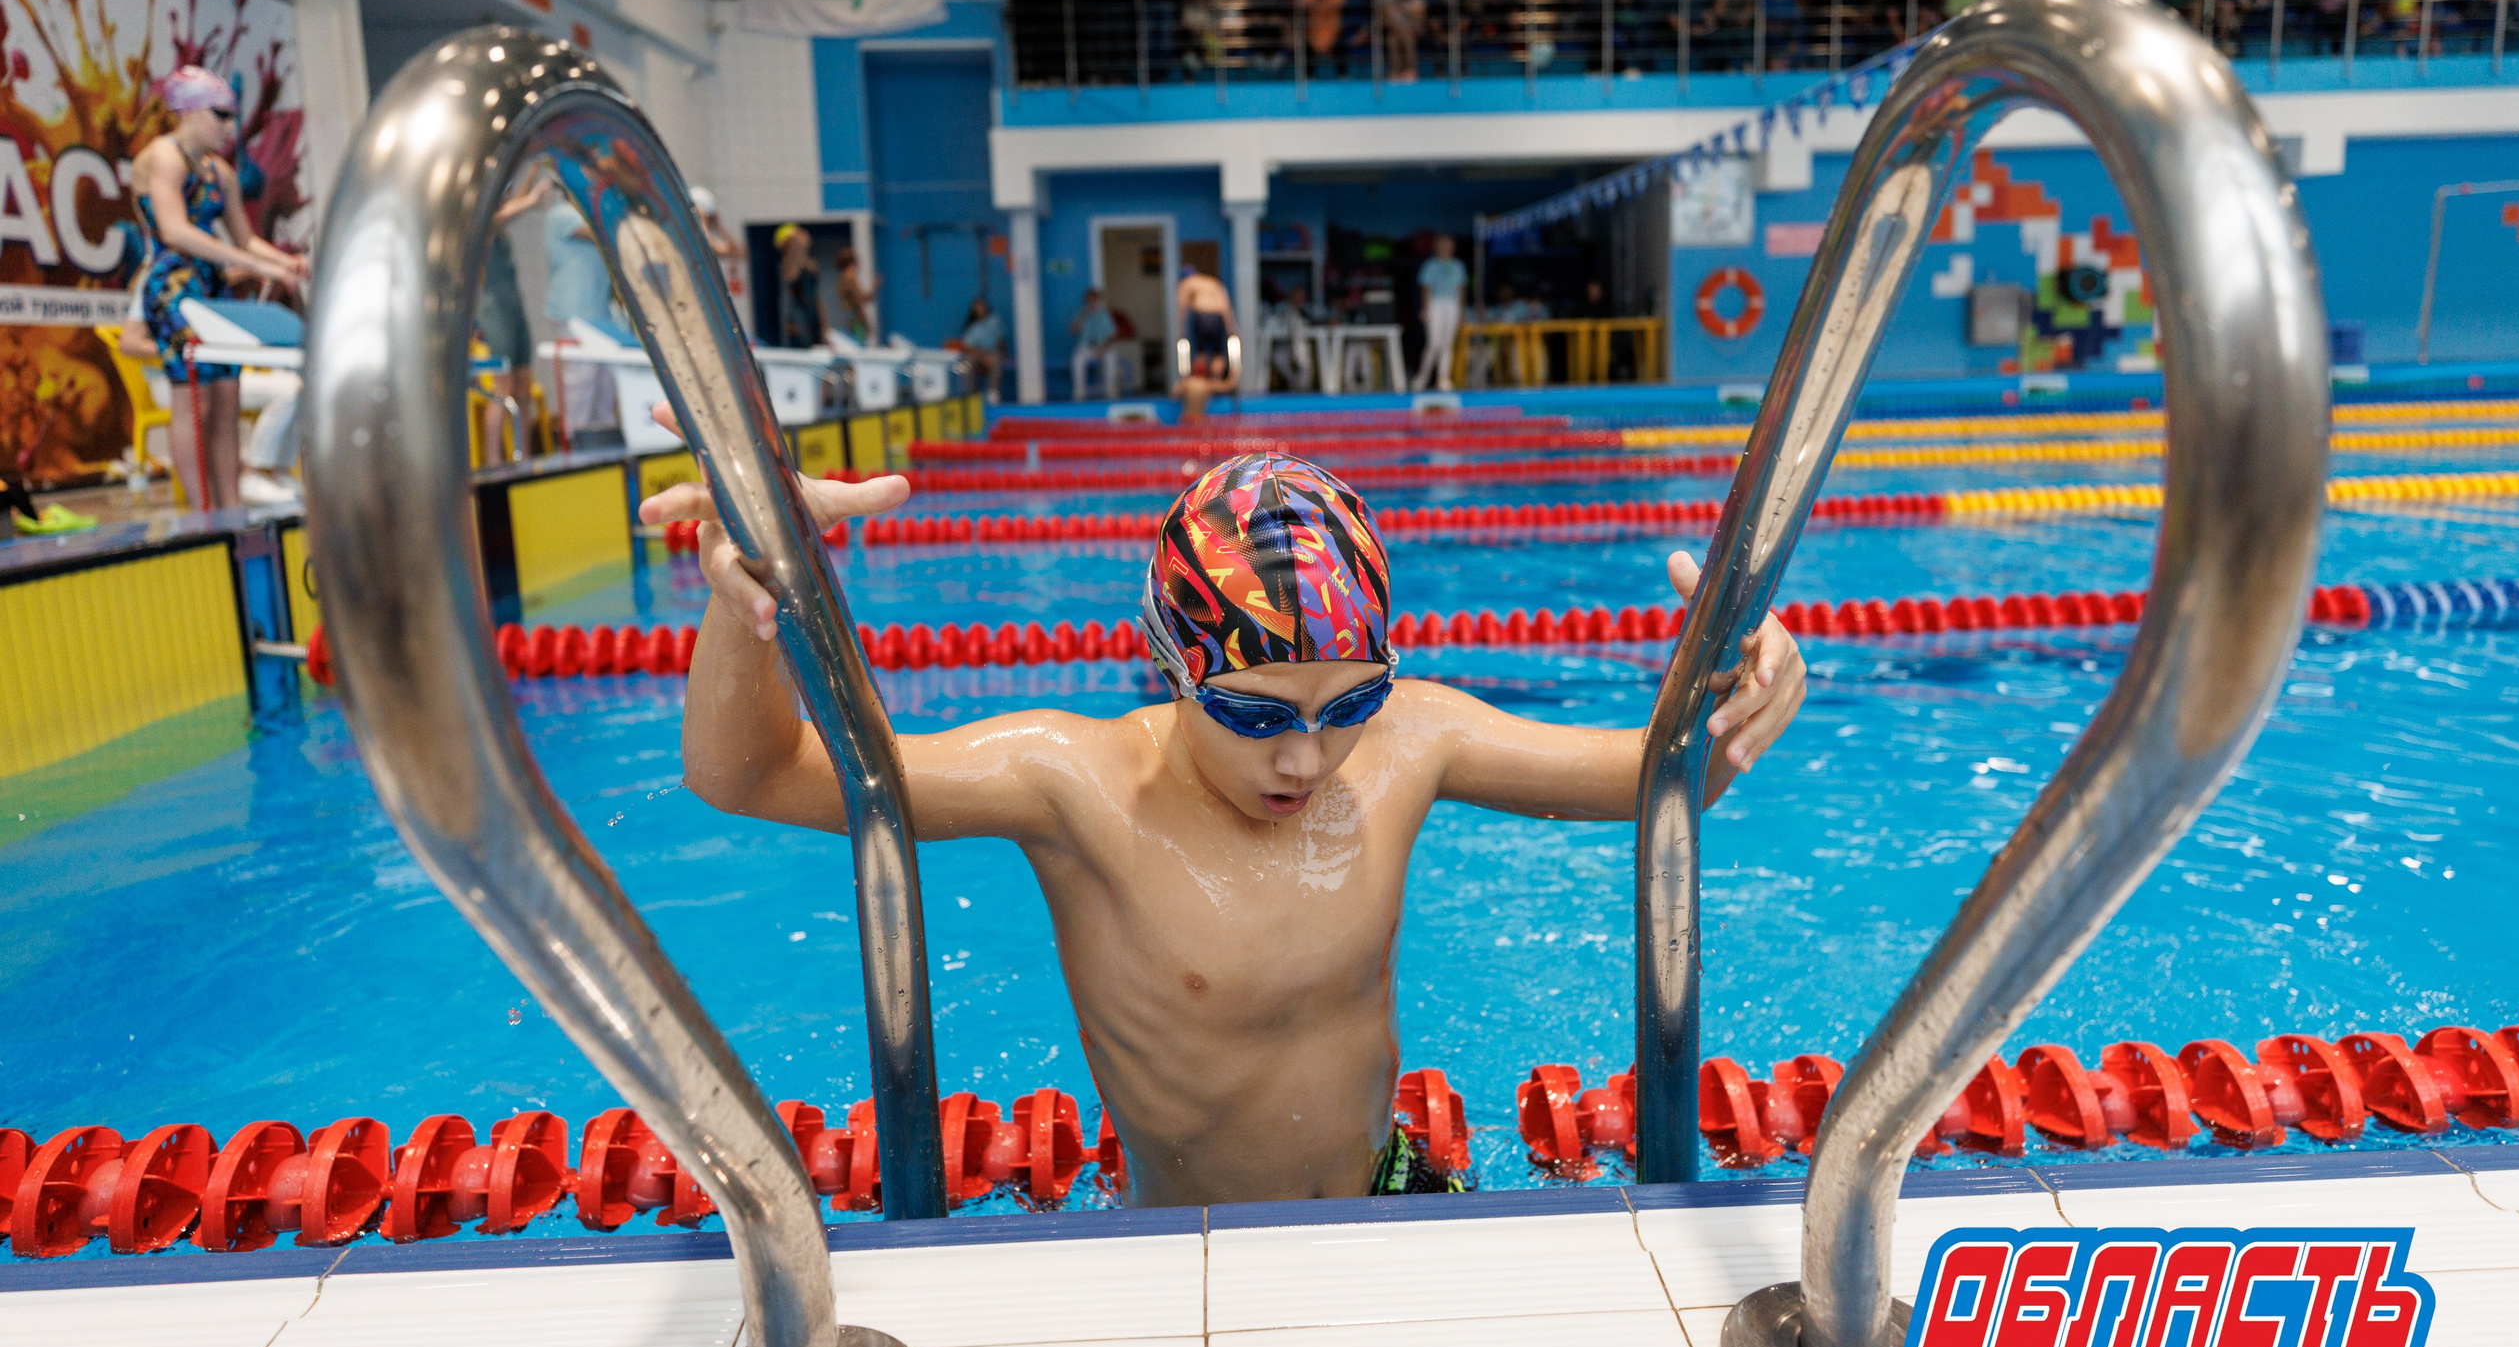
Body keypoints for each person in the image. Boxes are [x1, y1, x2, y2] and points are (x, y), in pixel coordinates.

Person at [638, 448, 1807, 1205]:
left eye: (1345, 704)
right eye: (1254, 712)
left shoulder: (1412, 741)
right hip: (1175, 1241)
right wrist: (748, 605)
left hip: (1391, 1189)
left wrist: (1739, 680)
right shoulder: (1074, 786)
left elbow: (1663, 782)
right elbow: (750, 775)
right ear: (1172, 670)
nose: (1304, 756)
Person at [131, 65, 306, 510]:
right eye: (221, 115)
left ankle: (231, 507)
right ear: (188, 110)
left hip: (211, 287)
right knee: (195, 401)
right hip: (175, 287)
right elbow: (174, 231)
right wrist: (249, 264)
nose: (230, 127)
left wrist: (287, 264)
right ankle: (200, 514)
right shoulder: (162, 157)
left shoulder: (219, 173)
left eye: (232, 117)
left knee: (227, 399)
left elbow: (245, 237)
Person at [476, 168, 550, 464]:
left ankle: (525, 458)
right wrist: (532, 199)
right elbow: (502, 213)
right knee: (502, 388)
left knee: (522, 384)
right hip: (495, 313)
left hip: (513, 309)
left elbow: (512, 207)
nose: (508, 198)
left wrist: (531, 171)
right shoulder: (480, 224)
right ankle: (494, 461)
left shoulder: (500, 223)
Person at [544, 192, 625, 452]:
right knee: (581, 385)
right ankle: (574, 450)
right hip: (575, 312)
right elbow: (602, 233)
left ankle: (608, 451)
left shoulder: (594, 217)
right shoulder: (561, 214)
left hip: (602, 314)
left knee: (606, 386)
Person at [1172, 262, 1236, 423]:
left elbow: (1182, 305)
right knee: (1217, 354)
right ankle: (1215, 379)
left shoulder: (1187, 283)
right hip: (1218, 318)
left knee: (1201, 352)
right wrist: (1231, 328)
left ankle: (1201, 375)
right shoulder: (1213, 282)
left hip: (1201, 316)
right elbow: (1225, 306)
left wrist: (1181, 327)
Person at [1414, 233, 1467, 393]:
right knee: (1434, 342)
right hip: (1435, 304)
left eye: (1448, 244)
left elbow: (1460, 289)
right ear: (1436, 246)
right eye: (1442, 244)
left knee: (1448, 343)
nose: (1445, 247)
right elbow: (1426, 288)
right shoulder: (1430, 265)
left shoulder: (1458, 265)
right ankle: (1422, 376)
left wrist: (1460, 311)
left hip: (1452, 305)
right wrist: (1426, 308)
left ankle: (1443, 377)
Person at [1068, 287, 1130, 401]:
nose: (1092, 303)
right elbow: (1072, 330)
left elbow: (1112, 336)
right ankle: (1079, 394)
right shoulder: (1082, 314)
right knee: (1077, 360)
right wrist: (1083, 315)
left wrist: (1103, 348)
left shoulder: (1104, 315)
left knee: (1112, 357)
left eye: (1094, 300)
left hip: (1103, 347)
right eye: (1090, 300)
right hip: (1086, 347)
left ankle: (1111, 392)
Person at [772, 225, 823, 349]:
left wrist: (825, 328)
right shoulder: (786, 265)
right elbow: (791, 277)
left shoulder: (810, 264)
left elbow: (816, 297)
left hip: (812, 320)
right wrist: (797, 244)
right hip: (798, 322)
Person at [951, 296, 1007, 396]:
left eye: (981, 307)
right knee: (966, 363)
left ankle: (992, 393)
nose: (980, 310)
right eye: (977, 308)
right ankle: (971, 394)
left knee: (997, 360)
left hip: (992, 352)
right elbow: (968, 346)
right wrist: (982, 357)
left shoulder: (994, 320)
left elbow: (1000, 340)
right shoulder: (972, 326)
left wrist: (1002, 353)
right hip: (976, 354)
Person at [835, 248, 881, 344]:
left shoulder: (846, 279)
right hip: (856, 319)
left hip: (854, 318)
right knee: (858, 344)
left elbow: (863, 298)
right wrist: (866, 323)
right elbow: (861, 300)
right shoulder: (849, 279)